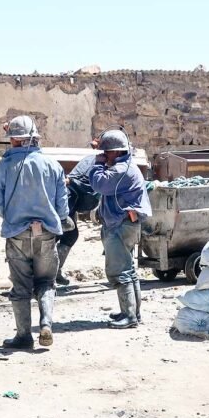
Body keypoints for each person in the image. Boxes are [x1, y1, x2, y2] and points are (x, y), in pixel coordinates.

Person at [0, 116, 70, 350]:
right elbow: (63, 207)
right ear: (35, 137)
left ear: (13, 140)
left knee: (21, 287)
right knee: (46, 282)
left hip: (17, 235)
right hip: (47, 234)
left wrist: (14, 218)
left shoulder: (4, 166)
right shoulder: (52, 165)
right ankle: (46, 324)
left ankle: (24, 336)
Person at [89, 129, 152, 329]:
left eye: (106, 152)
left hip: (120, 226)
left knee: (120, 271)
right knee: (129, 270)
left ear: (116, 152)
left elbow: (98, 184)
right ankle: (133, 312)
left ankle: (129, 316)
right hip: (125, 224)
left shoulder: (119, 171)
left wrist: (98, 163)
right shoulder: (125, 167)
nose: (104, 156)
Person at [55, 152, 100, 286]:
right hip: (67, 198)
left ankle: (55, 271)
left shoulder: (97, 161)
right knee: (54, 235)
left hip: (73, 200)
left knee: (71, 235)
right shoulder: (95, 161)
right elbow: (80, 182)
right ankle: (43, 273)